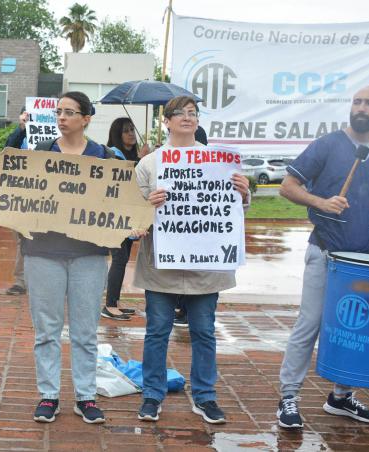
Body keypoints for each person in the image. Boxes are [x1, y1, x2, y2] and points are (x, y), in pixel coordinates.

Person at [0, 92, 118, 424]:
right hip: (43, 252)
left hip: (89, 253)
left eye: (69, 112)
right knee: (46, 329)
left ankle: (85, 397)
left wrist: (132, 223)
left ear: (86, 119)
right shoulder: (40, 154)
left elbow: (120, 201)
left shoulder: (104, 156)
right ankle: (49, 395)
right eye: (58, 111)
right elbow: (16, 188)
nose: (61, 117)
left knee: (85, 330)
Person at [276, 86, 369, 430]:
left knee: (352, 328)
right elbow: (288, 186)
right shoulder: (327, 144)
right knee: (311, 324)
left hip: (365, 262)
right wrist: (321, 202)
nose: (362, 107)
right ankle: (288, 396)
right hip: (326, 252)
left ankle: (341, 397)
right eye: (358, 101)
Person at [134, 96, 250, 424]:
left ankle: (205, 396)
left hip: (205, 266)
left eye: (193, 113)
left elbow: (232, 210)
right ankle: (152, 395)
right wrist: (147, 206)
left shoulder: (220, 161)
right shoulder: (150, 164)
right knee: (157, 330)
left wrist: (243, 193)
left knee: (204, 330)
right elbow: (132, 218)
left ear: (198, 121)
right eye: (180, 113)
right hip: (161, 265)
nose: (187, 118)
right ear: (166, 122)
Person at [102, 117, 148, 321]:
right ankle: (109, 305)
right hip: (115, 217)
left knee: (123, 258)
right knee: (119, 259)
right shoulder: (113, 154)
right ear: (117, 134)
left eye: (132, 129)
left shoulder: (132, 155)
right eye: (126, 131)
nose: (131, 134)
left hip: (130, 216)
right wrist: (142, 160)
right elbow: (124, 179)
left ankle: (116, 302)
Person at [4, 107, 30, 296]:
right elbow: (7, 151)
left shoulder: (57, 138)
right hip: (21, 194)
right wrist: (21, 128)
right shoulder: (20, 136)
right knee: (23, 240)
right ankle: (20, 281)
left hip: (47, 198)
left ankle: (31, 281)